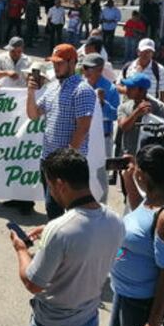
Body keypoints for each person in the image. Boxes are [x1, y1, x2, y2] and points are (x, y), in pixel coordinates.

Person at [9, 148, 124, 326]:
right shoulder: (115, 220)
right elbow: (91, 243)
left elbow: (33, 283)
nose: (50, 192)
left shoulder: (60, 230)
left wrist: (21, 250)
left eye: (50, 186)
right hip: (88, 324)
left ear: (60, 184)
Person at [113, 145, 164, 326]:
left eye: (137, 169)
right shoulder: (152, 199)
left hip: (141, 302)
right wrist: (128, 179)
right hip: (124, 292)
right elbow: (141, 214)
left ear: (144, 175)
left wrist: (153, 323)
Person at [27, 44, 96, 219]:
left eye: (60, 63)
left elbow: (83, 128)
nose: (55, 67)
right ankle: (60, 242)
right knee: (53, 209)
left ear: (72, 62)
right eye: (54, 63)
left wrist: (66, 158)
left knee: (68, 210)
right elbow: (34, 115)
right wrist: (30, 91)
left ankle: (63, 243)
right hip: (48, 159)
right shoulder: (52, 88)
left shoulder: (83, 90)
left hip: (68, 163)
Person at [81, 53, 119, 202]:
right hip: (82, 138)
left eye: (90, 68)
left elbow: (115, 115)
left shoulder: (110, 89)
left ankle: (101, 208)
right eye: (84, 67)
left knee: (100, 175)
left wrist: (102, 103)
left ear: (100, 69)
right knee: (80, 175)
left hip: (102, 139)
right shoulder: (80, 85)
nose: (86, 71)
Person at [116, 73, 164, 156]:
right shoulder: (124, 107)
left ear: (142, 90)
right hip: (128, 155)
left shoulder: (157, 108)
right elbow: (124, 127)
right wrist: (137, 112)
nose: (127, 90)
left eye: (131, 88)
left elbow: (160, 131)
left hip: (148, 156)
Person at [119, 39, 164, 103]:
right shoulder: (128, 67)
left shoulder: (160, 69)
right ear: (138, 51)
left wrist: (158, 109)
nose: (146, 54)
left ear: (153, 53)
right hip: (128, 107)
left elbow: (163, 93)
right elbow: (118, 86)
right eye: (144, 51)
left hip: (149, 107)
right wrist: (130, 91)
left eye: (149, 51)